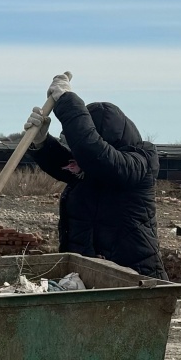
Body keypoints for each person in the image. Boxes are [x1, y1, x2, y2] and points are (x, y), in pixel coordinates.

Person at [24, 75, 163, 278]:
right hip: (87, 276)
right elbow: (66, 163)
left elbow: (95, 155)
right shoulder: (90, 167)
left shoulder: (141, 160)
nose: (76, 155)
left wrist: (67, 101)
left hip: (133, 279)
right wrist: (41, 142)